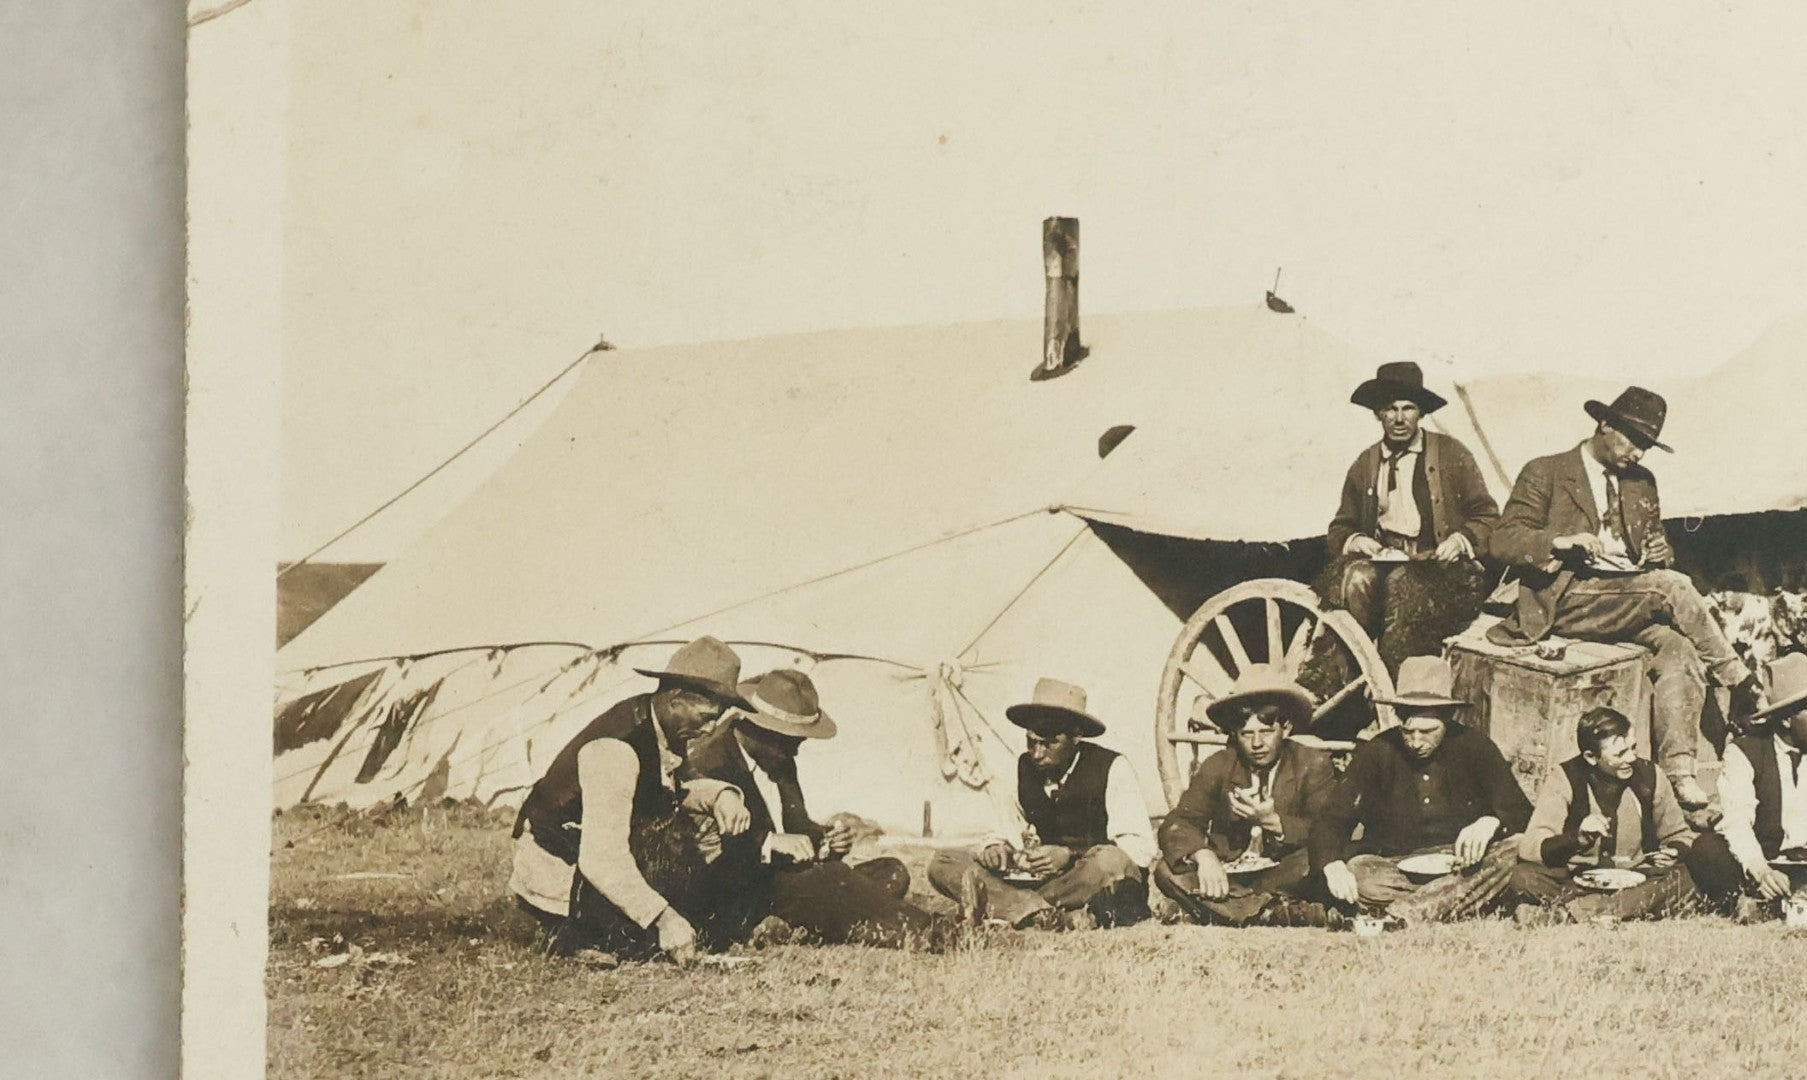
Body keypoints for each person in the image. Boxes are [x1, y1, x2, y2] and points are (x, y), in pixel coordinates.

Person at [1485, 386, 1766, 809]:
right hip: (1567, 596)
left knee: (1680, 650)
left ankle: (1679, 772)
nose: (1638, 453)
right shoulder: (1547, 471)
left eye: (1646, 445)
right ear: (1604, 425)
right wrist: (1560, 541)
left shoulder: (1641, 482)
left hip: (1626, 596)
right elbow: (1503, 540)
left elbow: (1656, 546)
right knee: (1671, 586)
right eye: (1633, 440)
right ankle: (1741, 681)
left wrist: (1661, 551)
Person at [508, 636, 756, 964]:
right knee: (642, 945)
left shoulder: (663, 726)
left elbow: (672, 787)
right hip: (561, 877)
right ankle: (569, 935)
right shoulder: (616, 748)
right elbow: (601, 859)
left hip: (596, 861)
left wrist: (723, 795)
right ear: (676, 699)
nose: (711, 729)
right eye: (706, 717)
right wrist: (663, 918)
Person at [682, 667, 960, 950]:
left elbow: (797, 827)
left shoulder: (778, 761)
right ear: (760, 728)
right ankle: (933, 933)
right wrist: (768, 843)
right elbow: (706, 854)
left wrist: (827, 840)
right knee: (831, 880)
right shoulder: (709, 763)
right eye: (789, 742)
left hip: (785, 884)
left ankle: (793, 928)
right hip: (738, 894)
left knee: (891, 871)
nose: (794, 752)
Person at [1309, 656, 1532, 926]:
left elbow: (1522, 814)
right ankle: (1453, 903)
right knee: (1359, 872)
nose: (1416, 742)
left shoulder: (1476, 747)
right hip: (1398, 869)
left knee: (1516, 849)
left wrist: (1490, 822)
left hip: (1464, 866)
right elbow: (1331, 818)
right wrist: (1332, 864)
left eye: (1428, 731)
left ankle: (1408, 912)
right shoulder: (1377, 751)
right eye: (1408, 731)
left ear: (1448, 718)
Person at [927, 678, 1156, 930]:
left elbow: (1139, 851)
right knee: (943, 861)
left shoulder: (1112, 767)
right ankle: (1037, 911)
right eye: (1031, 742)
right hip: (1048, 884)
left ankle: (1015, 908)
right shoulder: (1023, 768)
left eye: (1049, 743)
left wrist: (1070, 855)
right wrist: (995, 848)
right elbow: (1005, 827)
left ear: (1076, 735)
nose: (1037, 753)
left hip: (1090, 881)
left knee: (1110, 861)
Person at [1322, 361, 1500, 672]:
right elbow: (1341, 525)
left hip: (1441, 570)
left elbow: (1487, 515)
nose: (1399, 418)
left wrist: (1460, 540)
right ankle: (1354, 673)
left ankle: (1396, 678)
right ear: (1378, 413)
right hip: (1384, 563)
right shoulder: (1366, 463)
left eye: (1408, 408)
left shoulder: (1452, 454)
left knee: (1403, 592)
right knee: (1355, 581)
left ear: (1421, 413)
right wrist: (1357, 539)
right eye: (1390, 409)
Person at [1152, 664, 1337, 926]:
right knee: (1166, 870)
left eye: (1266, 732)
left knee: (1315, 861)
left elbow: (1327, 828)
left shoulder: (1312, 763)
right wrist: (1203, 855)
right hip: (1231, 875)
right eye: (1246, 734)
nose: (1257, 744)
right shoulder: (1219, 765)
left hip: (1284, 873)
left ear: (1285, 728)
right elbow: (1178, 822)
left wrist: (1273, 822)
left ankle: (1225, 910)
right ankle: (1273, 913)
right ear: (1235, 734)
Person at [1509, 706, 1703, 924]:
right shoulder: (1564, 777)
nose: (1631, 758)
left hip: (1637, 880)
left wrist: (1674, 851)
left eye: (1633, 748)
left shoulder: (1651, 775)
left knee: (1684, 878)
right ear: (1591, 757)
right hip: (1576, 881)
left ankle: (1569, 914)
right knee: (1522, 876)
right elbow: (1530, 847)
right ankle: (1604, 909)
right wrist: (1576, 839)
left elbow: (1679, 833)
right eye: (1620, 754)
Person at [1689, 653, 1807, 919]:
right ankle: (1746, 902)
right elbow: (1737, 821)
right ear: (1787, 720)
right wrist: (1761, 871)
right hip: (1762, 863)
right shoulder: (1744, 752)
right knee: (1707, 849)